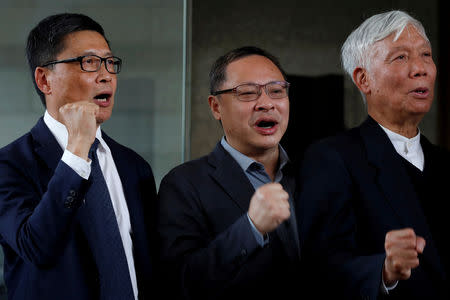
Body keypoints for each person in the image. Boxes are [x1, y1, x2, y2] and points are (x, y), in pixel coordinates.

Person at [0, 13, 157, 300]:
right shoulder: (9, 165)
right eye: (89, 63)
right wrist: (77, 149)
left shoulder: (134, 167)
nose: (106, 74)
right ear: (44, 80)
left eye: (110, 62)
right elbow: (35, 246)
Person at [297, 10, 450, 299]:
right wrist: (383, 270)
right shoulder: (333, 159)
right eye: (401, 57)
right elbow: (320, 267)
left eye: (426, 55)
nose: (421, 69)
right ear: (363, 79)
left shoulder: (446, 164)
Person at [156, 46, 301, 299]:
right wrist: (251, 228)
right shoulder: (183, 184)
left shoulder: (315, 173)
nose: (266, 104)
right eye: (247, 93)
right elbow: (179, 282)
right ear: (215, 107)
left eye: (276, 91)